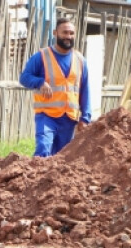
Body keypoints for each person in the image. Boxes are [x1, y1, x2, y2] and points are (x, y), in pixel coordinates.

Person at [19, 18, 92, 157]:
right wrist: (40, 82)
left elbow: (85, 89)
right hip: (46, 116)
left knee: (63, 157)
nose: (68, 36)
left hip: (69, 118)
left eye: (71, 33)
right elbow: (24, 78)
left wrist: (85, 117)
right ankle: (37, 177)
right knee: (43, 149)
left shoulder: (80, 60)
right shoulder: (41, 57)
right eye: (65, 32)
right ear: (55, 33)